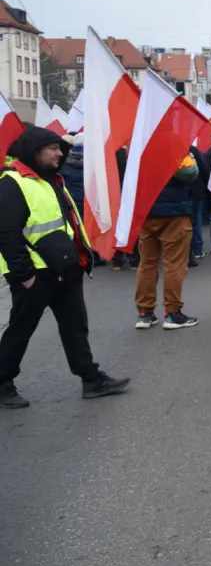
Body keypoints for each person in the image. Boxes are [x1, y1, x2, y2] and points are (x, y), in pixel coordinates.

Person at [0, 127, 129, 409]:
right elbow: (7, 234)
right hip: (35, 273)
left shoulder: (51, 179)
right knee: (21, 329)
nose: (60, 153)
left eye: (60, 148)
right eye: (53, 148)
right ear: (34, 151)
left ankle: (91, 379)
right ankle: (2, 382)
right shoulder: (12, 183)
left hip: (65, 267)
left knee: (75, 327)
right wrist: (25, 276)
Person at [134, 146, 200, 330]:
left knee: (147, 263)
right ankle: (173, 313)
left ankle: (145, 313)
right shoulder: (173, 146)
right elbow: (189, 173)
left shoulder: (139, 146)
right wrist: (192, 159)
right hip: (174, 213)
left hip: (146, 211)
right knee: (174, 264)